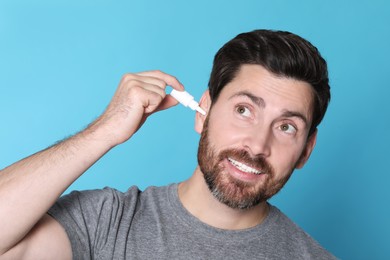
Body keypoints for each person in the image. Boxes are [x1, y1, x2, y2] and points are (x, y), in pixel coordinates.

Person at [0, 29, 336, 259]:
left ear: (306, 149)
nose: (258, 144)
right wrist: (104, 131)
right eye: (244, 110)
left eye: (287, 127)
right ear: (203, 111)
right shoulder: (107, 222)